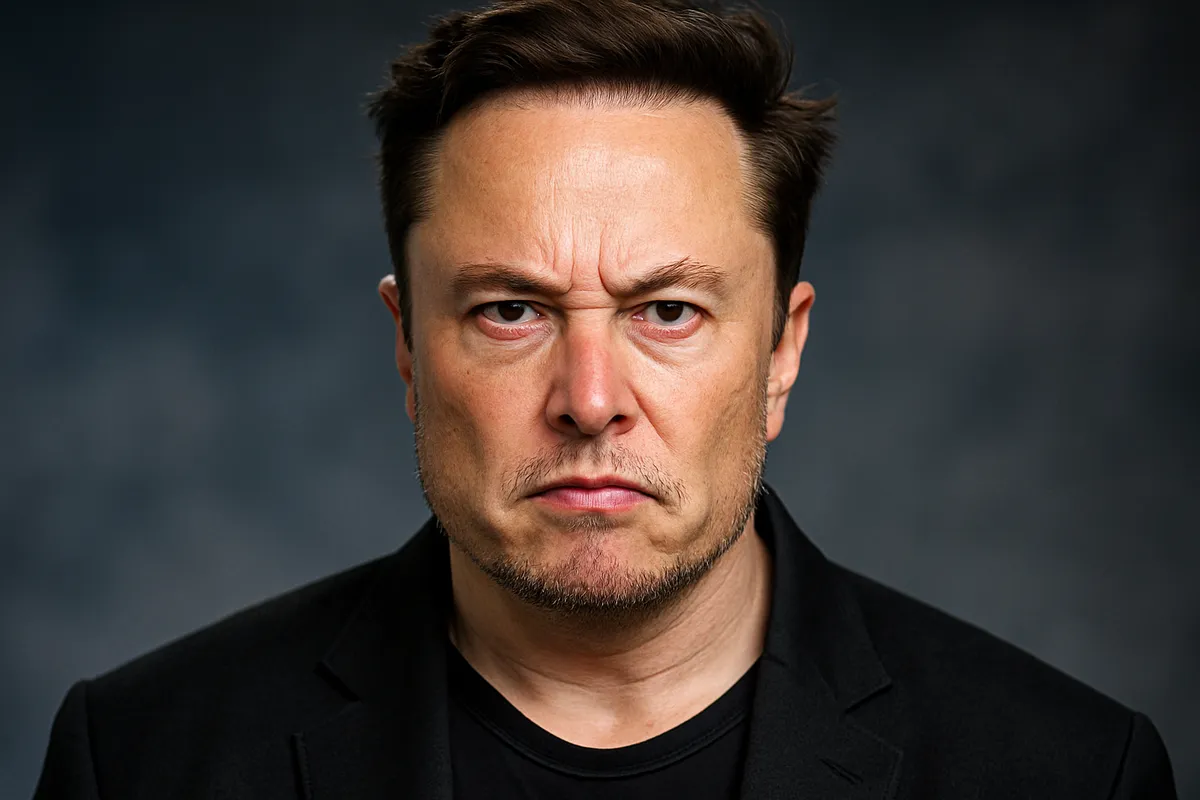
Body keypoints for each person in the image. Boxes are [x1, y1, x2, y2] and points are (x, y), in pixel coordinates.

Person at [34, 0, 1177, 797]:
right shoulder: (139, 759)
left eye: (667, 309)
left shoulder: (1069, 772)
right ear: (407, 348)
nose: (589, 399)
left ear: (782, 350)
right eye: (510, 310)